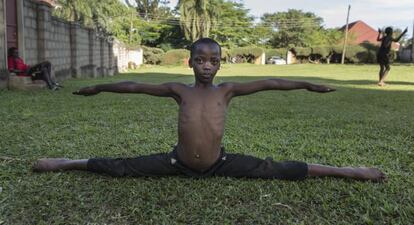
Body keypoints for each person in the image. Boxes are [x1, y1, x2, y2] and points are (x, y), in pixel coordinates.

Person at [33, 38, 386, 182]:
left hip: (221, 163)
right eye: (200, 60)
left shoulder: (228, 91)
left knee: (274, 168)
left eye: (213, 60)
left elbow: (273, 83)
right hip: (177, 163)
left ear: (219, 64)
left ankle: (349, 171)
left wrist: (308, 84)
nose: (207, 65)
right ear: (190, 62)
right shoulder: (178, 90)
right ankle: (66, 162)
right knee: (123, 166)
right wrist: (99, 87)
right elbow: (134, 86)